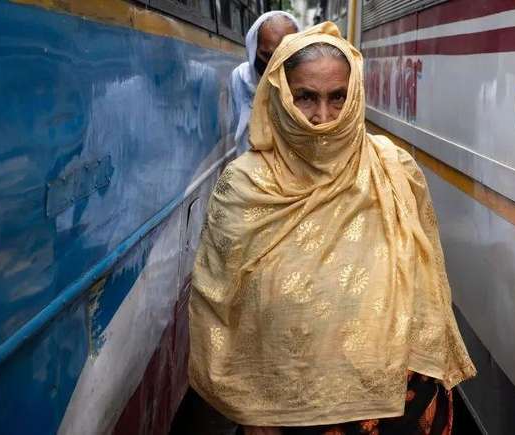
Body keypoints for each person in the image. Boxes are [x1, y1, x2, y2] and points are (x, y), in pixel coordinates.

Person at [189, 22, 476, 435]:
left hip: (396, 407)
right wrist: (249, 409)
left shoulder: (394, 170)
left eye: (338, 97)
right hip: (286, 415)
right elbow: (216, 307)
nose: (322, 118)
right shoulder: (246, 185)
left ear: (355, 95)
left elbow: (427, 283)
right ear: (281, 95)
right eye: (306, 97)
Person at [230, 11, 300, 154]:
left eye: (282, 56)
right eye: (266, 55)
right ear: (253, 49)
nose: (272, 67)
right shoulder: (240, 78)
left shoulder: (303, 82)